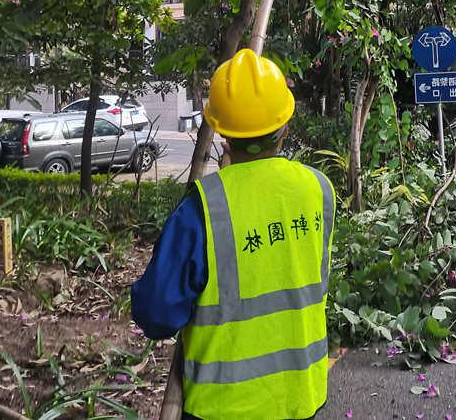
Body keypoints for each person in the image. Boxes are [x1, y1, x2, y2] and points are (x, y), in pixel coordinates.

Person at [131, 49, 336, 420]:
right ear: (285, 125)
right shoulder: (318, 189)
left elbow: (156, 314)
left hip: (222, 409)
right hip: (302, 398)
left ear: (222, 133)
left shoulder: (202, 209)